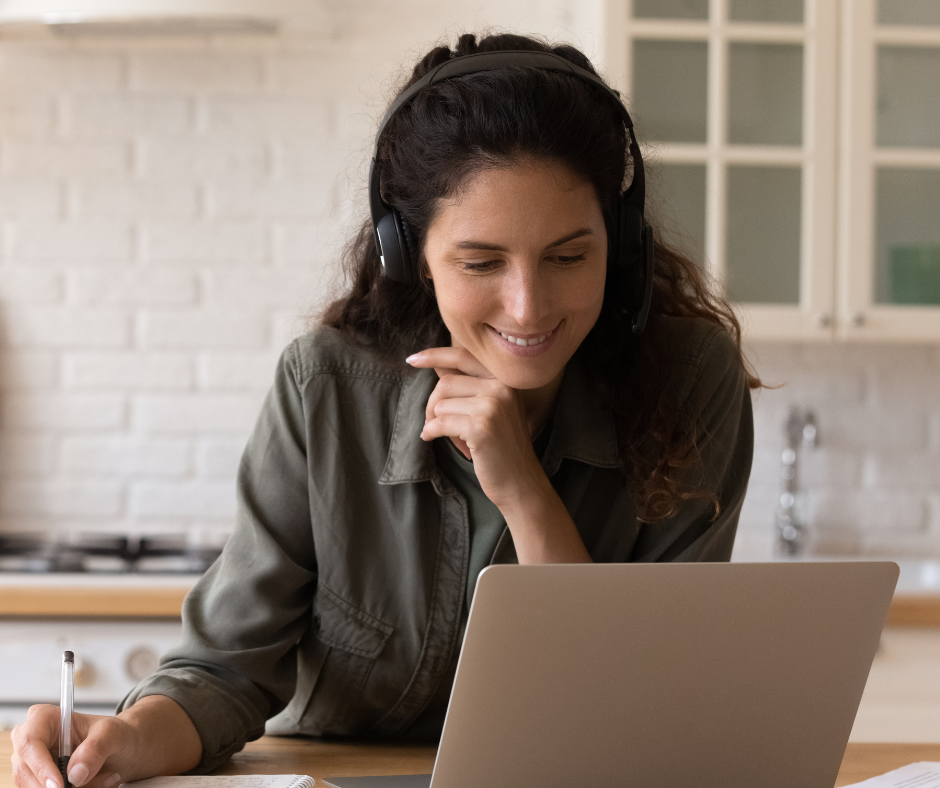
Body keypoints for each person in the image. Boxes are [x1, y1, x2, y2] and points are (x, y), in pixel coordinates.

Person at [11, 31, 758, 788]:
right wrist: (126, 738)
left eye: (569, 257)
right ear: (410, 256)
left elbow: (636, 716)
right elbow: (224, 672)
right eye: (481, 262)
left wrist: (524, 491)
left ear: (621, 242)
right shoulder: (326, 388)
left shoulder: (691, 383)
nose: (528, 307)